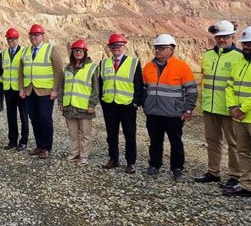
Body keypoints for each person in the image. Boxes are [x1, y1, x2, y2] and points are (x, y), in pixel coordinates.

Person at [195, 21, 243, 188]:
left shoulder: (240, 56)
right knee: (213, 141)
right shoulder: (208, 55)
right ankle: (213, 172)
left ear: (232, 36)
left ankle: (236, 176)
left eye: (225, 36)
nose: (222, 40)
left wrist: (238, 107)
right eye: (219, 37)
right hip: (209, 107)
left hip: (230, 109)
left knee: (234, 144)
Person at [142, 34, 197, 181]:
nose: (158, 50)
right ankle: (154, 165)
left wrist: (188, 110)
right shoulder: (148, 66)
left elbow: (191, 90)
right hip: (153, 113)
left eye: (162, 48)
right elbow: (144, 89)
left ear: (171, 50)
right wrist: (145, 106)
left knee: (176, 142)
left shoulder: (181, 66)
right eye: (156, 48)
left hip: (173, 113)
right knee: (155, 141)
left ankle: (177, 169)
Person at [99, 34, 143, 174]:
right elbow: (100, 84)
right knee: (111, 134)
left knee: (129, 135)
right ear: (109, 48)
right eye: (113, 46)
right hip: (109, 104)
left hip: (127, 105)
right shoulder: (103, 63)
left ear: (124, 47)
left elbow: (138, 84)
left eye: (118, 45)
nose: (115, 48)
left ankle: (130, 163)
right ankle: (113, 159)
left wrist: (136, 103)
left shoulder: (133, 62)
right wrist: (103, 101)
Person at [18, 24, 63, 159]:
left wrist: (55, 90)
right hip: (30, 91)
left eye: (36, 35)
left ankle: (46, 147)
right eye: (31, 35)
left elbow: (58, 70)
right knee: (34, 119)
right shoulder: (25, 52)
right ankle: (39, 145)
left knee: (45, 119)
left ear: (43, 36)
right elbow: (21, 72)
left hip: (45, 91)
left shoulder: (51, 49)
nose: (34, 37)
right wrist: (21, 88)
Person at [58, 39, 99, 166]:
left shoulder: (92, 68)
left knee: (85, 134)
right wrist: (61, 102)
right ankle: (75, 153)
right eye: (76, 51)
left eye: (81, 51)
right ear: (72, 52)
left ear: (85, 52)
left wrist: (92, 105)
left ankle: (84, 156)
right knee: (73, 133)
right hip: (69, 106)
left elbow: (95, 88)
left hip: (84, 107)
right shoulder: (68, 68)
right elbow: (62, 86)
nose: (78, 53)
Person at [223, 26, 251, 196]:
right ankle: (247, 185)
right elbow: (230, 86)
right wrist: (233, 107)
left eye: (249, 44)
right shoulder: (240, 63)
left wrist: (241, 108)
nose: (246, 47)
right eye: (245, 44)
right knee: (244, 152)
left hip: (245, 114)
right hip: (240, 118)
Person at [2, 27, 30, 151]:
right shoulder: (4, 53)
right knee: (11, 116)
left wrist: (23, 88)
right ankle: (12, 140)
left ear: (18, 39)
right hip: (8, 89)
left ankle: (23, 141)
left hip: (20, 90)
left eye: (13, 39)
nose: (11, 41)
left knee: (23, 116)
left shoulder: (24, 52)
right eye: (9, 39)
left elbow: (26, 72)